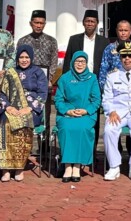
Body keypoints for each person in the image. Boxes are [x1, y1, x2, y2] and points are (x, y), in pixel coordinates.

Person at [0, 45, 48, 181]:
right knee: (5, 125)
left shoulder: (38, 72)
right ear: (17, 58)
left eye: (27, 57)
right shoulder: (10, 72)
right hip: (11, 109)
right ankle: (5, 168)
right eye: (21, 57)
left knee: (23, 126)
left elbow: (42, 93)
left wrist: (29, 108)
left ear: (31, 58)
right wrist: (8, 107)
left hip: (30, 110)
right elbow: (1, 93)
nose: (24, 60)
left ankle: (18, 167)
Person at [101, 41, 131, 182]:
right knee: (109, 130)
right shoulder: (112, 76)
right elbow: (107, 97)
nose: (127, 59)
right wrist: (111, 111)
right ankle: (114, 166)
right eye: (124, 56)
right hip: (119, 113)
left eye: (130, 55)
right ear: (120, 58)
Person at [54, 50, 100, 182]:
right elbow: (58, 100)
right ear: (72, 62)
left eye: (83, 61)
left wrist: (86, 111)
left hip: (86, 114)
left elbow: (96, 100)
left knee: (82, 129)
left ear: (86, 63)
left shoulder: (92, 78)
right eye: (77, 61)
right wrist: (67, 111)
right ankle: (68, 165)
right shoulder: (65, 78)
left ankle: (77, 166)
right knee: (67, 129)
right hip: (67, 113)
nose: (80, 64)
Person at [15, 9, 59, 82]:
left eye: (41, 23)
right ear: (31, 23)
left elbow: (54, 61)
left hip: (45, 79)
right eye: (36, 23)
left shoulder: (51, 41)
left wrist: (49, 77)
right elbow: (17, 61)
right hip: (26, 78)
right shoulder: (22, 41)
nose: (39, 26)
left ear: (45, 24)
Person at [63, 9, 109, 74]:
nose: (89, 24)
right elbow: (67, 61)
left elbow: (107, 62)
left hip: (96, 79)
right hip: (77, 78)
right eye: (87, 21)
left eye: (92, 22)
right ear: (83, 23)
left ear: (97, 24)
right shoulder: (74, 40)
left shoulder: (104, 41)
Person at [98, 20, 131, 87]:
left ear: (130, 31)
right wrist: (103, 87)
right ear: (116, 31)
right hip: (113, 86)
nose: (123, 33)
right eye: (120, 30)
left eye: (126, 30)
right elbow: (103, 69)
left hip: (130, 87)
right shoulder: (110, 48)